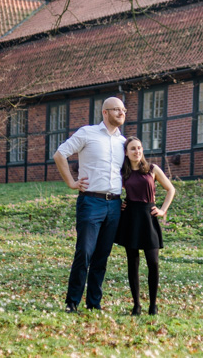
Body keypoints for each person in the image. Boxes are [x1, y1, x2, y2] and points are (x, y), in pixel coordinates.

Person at [53, 97, 127, 313]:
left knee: (102, 256)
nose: (122, 113)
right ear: (105, 112)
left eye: (123, 110)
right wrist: (71, 182)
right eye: (117, 110)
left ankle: (94, 303)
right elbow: (60, 154)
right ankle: (72, 302)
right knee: (84, 252)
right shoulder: (87, 133)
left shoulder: (123, 142)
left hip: (114, 205)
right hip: (91, 201)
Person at [115, 137, 176, 316]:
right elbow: (113, 190)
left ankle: (153, 305)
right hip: (130, 218)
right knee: (132, 263)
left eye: (139, 148)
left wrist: (163, 210)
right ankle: (136, 305)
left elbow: (170, 189)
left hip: (149, 217)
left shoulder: (152, 169)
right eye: (133, 149)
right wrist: (118, 203)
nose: (137, 151)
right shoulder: (122, 172)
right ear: (126, 152)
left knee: (153, 262)